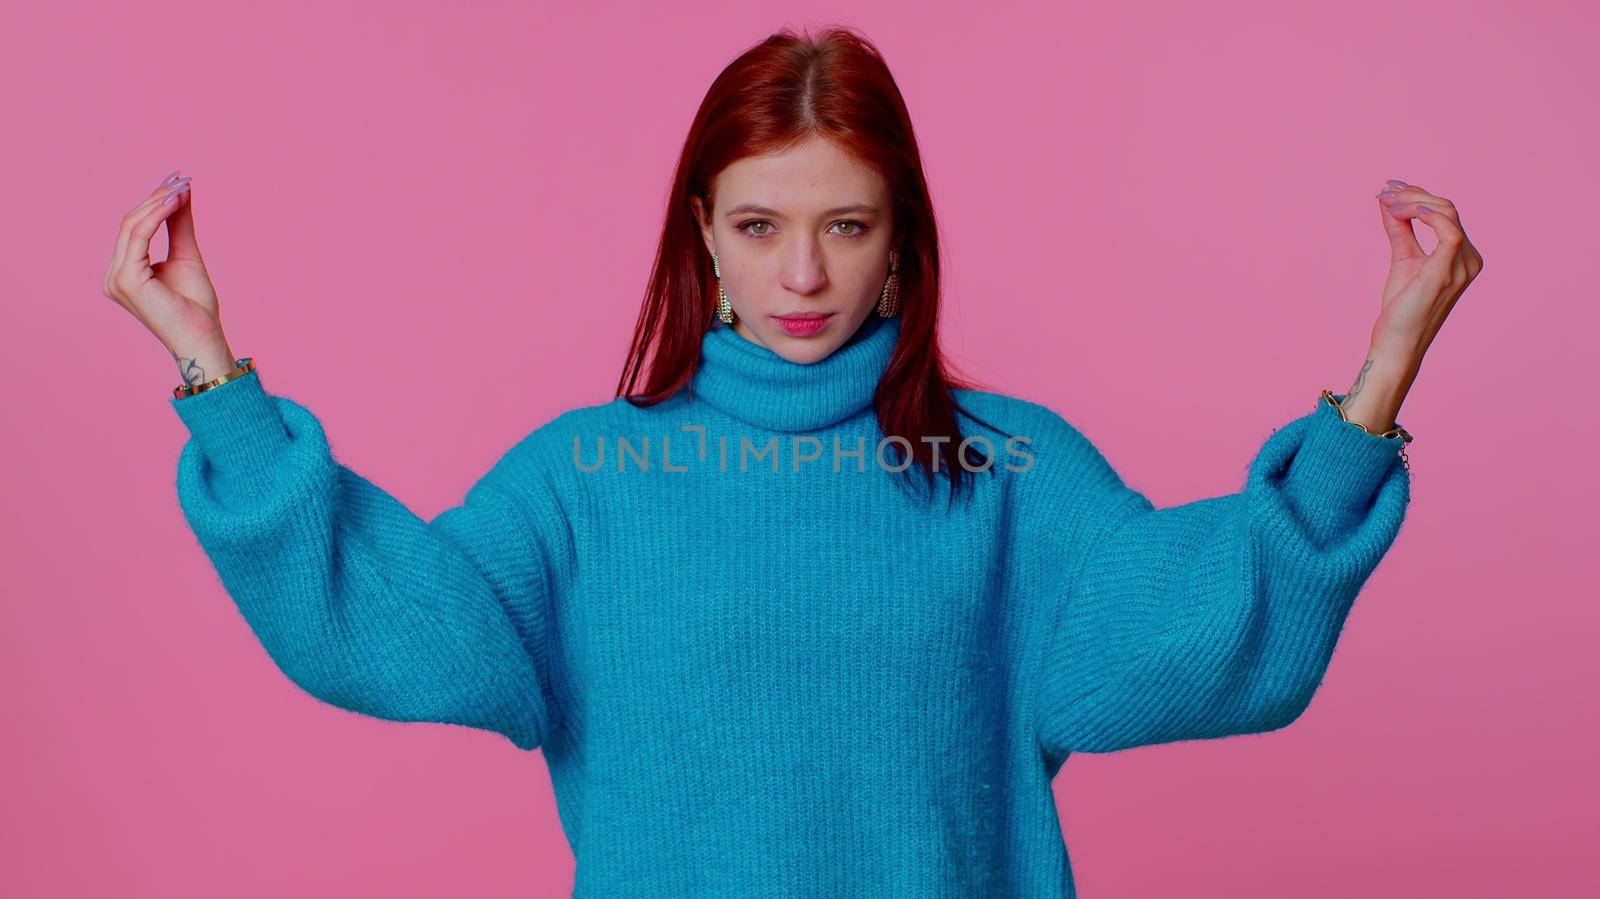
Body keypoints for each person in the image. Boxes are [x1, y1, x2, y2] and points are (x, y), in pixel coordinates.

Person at [101, 25, 1480, 899]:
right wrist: (216, 379)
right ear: (701, 233)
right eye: (760, 226)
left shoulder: (1009, 475)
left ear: (903, 241)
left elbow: (1214, 633)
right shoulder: (588, 482)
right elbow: (387, 623)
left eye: (849, 225)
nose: (805, 273)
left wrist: (1380, 378)